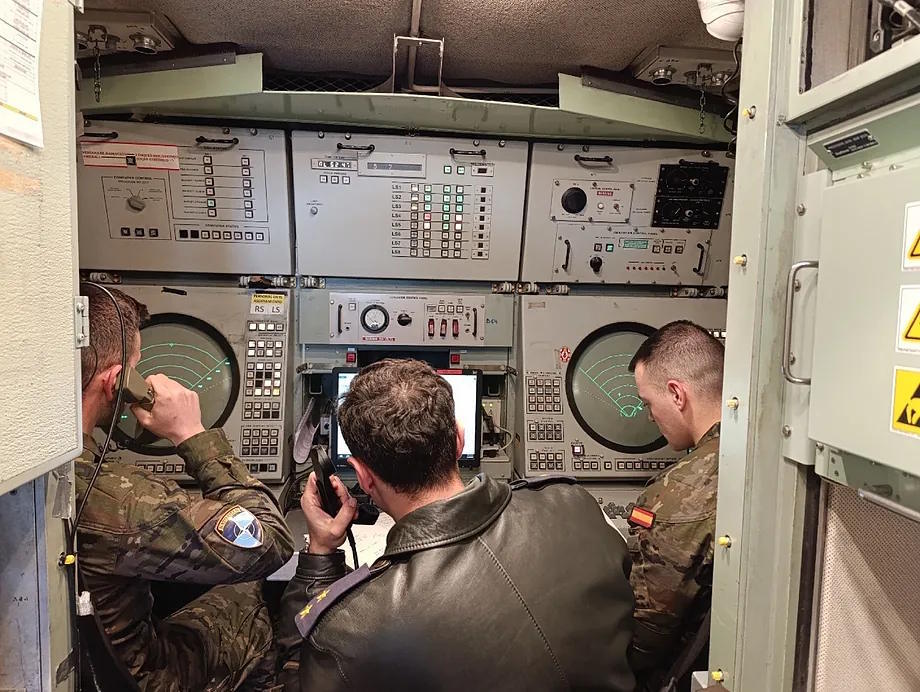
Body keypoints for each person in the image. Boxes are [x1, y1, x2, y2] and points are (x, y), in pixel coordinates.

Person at [278, 358, 636, 691]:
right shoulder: (576, 506)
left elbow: (303, 674)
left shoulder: (351, 625)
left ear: (362, 477)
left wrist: (321, 550)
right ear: (459, 438)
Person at [75, 283, 294, 691]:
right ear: (118, 383)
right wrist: (192, 433)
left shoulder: (64, 474)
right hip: (145, 676)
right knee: (250, 599)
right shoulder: (120, 501)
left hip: (97, 662)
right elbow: (269, 542)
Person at [626, 320, 725, 691]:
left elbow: (643, 640)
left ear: (677, 394)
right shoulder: (767, 459)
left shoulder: (679, 490)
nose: (650, 417)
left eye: (648, 403)